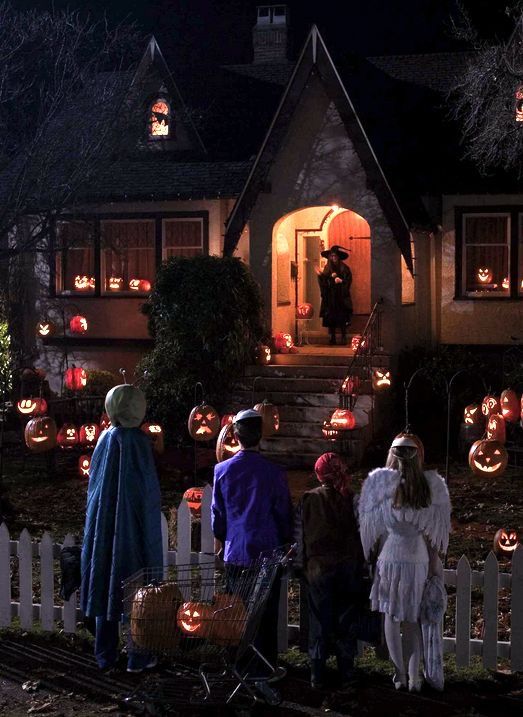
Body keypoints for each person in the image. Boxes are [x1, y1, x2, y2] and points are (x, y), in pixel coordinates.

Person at [358, 434, 451, 692]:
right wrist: (435, 562)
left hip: (391, 556)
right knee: (412, 619)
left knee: (391, 616)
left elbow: (372, 530)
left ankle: (398, 675)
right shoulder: (428, 487)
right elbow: (434, 535)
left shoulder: (381, 487)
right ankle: (414, 678)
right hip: (417, 557)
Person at [81, 384, 163, 673]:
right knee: (135, 589)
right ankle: (137, 656)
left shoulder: (104, 440)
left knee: (106, 580)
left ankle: (105, 654)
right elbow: (147, 491)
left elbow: (95, 489)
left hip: (106, 526)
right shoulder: (139, 444)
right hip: (134, 530)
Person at [211, 409, 293, 674]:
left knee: (238, 609)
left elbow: (218, 513)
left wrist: (222, 538)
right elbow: (283, 511)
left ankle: (240, 662)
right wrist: (287, 539)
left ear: (235, 435)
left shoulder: (222, 470)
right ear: (261, 435)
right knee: (266, 613)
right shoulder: (274, 472)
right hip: (268, 550)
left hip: (236, 550)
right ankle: (264, 666)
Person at [293, 452, 365, 689]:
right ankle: (347, 671)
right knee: (346, 619)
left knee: (319, 620)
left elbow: (299, 535)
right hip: (347, 568)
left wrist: (298, 566)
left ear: (318, 474)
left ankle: (317, 672)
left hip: (318, 570)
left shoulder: (308, 499)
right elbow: (362, 534)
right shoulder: (352, 499)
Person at [317, 245, 353, 345]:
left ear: (338, 257)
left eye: (335, 256)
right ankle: (332, 337)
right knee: (331, 317)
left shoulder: (344, 268)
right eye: (332, 256)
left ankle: (343, 337)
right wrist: (321, 276)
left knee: (342, 317)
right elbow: (324, 280)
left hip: (341, 296)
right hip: (330, 296)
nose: (333, 258)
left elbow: (348, 280)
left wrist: (341, 281)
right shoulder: (327, 268)